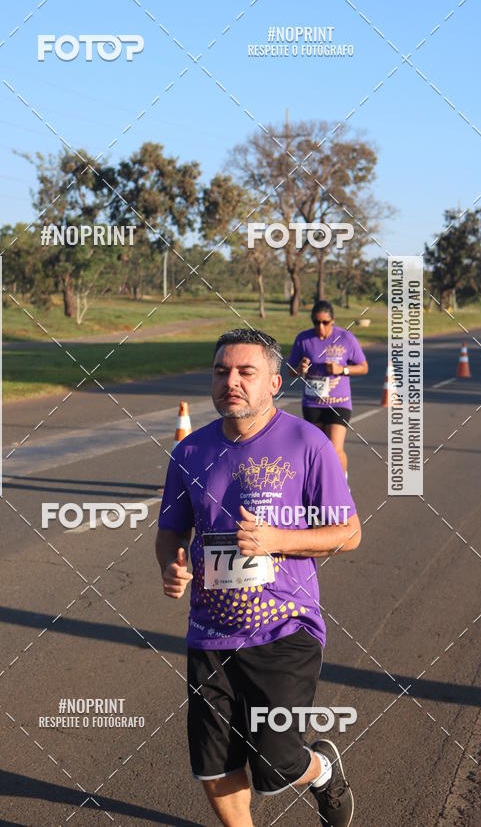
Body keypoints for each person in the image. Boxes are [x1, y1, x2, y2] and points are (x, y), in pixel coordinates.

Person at [155, 327, 361, 827]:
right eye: (223, 371)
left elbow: (349, 532)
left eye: (247, 372)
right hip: (210, 630)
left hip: (285, 628)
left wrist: (277, 540)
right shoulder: (190, 453)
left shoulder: (307, 443)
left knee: (276, 764)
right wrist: (171, 563)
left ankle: (320, 772)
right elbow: (171, 530)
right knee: (214, 764)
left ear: (274, 381)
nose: (233, 381)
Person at [287, 301, 368, 475]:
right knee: (316, 450)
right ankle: (320, 486)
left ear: (333, 320)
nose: (321, 327)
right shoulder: (303, 339)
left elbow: (363, 367)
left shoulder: (346, 338)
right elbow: (290, 371)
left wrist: (343, 369)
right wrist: (299, 369)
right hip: (312, 403)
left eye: (325, 322)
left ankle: (342, 488)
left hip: (339, 403)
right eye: (316, 322)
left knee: (334, 446)